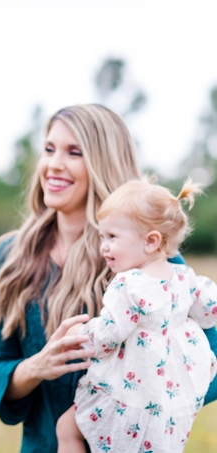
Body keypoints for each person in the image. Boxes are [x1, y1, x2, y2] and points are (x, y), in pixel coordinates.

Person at [0, 104, 217, 453]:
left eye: (74, 152)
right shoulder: (11, 256)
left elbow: (212, 355)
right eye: (49, 149)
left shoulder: (148, 256)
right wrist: (38, 365)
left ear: (104, 163)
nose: (54, 163)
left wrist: (140, 391)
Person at [55, 178, 217, 453]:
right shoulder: (184, 276)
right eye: (102, 237)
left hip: (128, 396)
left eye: (112, 237)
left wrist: (77, 336)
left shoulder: (128, 284)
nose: (103, 246)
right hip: (167, 404)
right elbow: (208, 312)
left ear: (151, 241)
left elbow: (108, 335)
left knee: (67, 428)